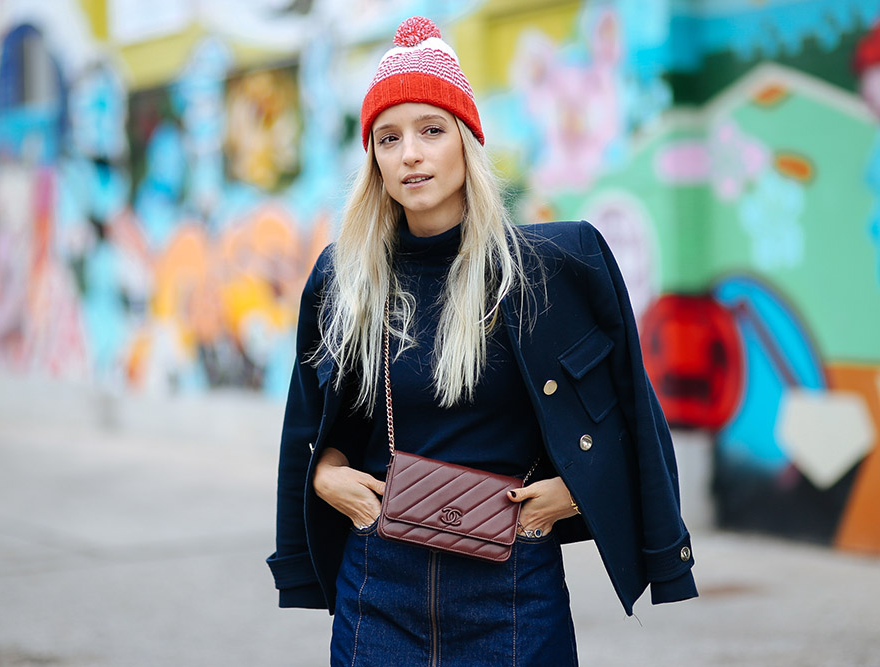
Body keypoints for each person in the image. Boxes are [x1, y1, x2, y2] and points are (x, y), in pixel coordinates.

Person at [267, 16, 697, 666]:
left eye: (430, 130)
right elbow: (313, 419)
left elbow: (629, 412)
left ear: (466, 142)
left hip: (514, 577)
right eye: (389, 137)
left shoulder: (556, 266)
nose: (409, 153)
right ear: (373, 159)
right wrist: (325, 476)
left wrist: (577, 489)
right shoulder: (345, 276)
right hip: (380, 578)